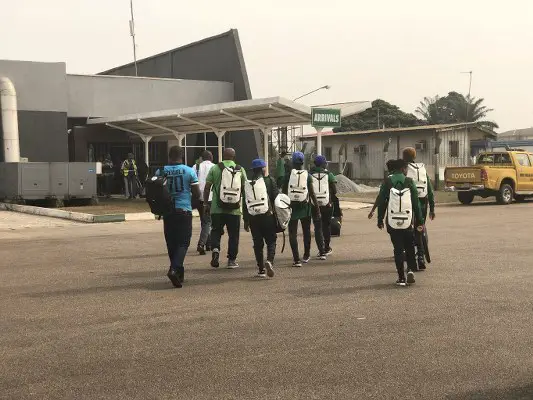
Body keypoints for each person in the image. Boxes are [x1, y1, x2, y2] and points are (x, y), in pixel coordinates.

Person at [155, 146, 201, 288]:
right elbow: (197, 193)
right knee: (183, 243)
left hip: (168, 212)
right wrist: (191, 204)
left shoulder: (160, 171)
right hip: (184, 210)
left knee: (171, 243)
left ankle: (179, 274)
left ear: (169, 156)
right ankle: (174, 269)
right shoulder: (189, 171)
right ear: (182, 156)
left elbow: (156, 192)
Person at [376, 159, 424, 286]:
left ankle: (401, 278)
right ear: (403, 169)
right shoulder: (409, 181)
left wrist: (380, 219)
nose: (407, 171)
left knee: (398, 249)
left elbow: (382, 202)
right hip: (407, 221)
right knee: (409, 246)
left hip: (392, 221)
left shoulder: (387, 181)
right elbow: (416, 204)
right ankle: (410, 270)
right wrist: (420, 221)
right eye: (406, 169)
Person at [203, 148, 246, 269]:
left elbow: (207, 188)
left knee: (216, 231)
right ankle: (231, 260)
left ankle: (215, 250)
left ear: (223, 156)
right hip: (234, 209)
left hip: (217, 208)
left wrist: (206, 204)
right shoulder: (240, 169)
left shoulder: (215, 168)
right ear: (234, 157)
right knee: (233, 235)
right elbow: (244, 189)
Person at [283, 151, 323, 267]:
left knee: (292, 234)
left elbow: (284, 192)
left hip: (292, 208)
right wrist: (317, 209)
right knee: (306, 232)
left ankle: (296, 260)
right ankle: (306, 255)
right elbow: (312, 193)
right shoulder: (307, 176)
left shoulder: (288, 176)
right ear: (302, 162)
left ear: (292, 162)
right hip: (305, 208)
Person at [243, 158, 278, 278]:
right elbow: (276, 198)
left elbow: (245, 203)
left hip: (253, 218)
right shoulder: (269, 181)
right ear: (263, 169)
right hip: (268, 216)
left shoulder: (247, 184)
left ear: (253, 170)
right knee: (271, 240)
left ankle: (261, 269)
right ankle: (269, 260)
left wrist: (246, 221)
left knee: (257, 243)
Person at [403, 147, 436, 270]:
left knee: (407, 230)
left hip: (408, 203)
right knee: (419, 229)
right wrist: (432, 208)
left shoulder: (404, 169)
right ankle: (421, 257)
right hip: (422, 203)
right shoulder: (421, 169)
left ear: (404, 157)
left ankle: (409, 255)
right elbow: (430, 190)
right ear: (415, 156)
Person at [309, 155, 337, 255]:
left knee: (317, 227)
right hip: (327, 205)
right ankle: (327, 248)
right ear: (323, 164)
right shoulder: (329, 174)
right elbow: (335, 191)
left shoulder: (310, 175)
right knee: (326, 226)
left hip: (314, 205)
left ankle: (321, 251)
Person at [195, 150, 215, 254]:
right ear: (211, 158)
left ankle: (209, 244)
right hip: (210, 198)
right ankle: (201, 244)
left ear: (202, 158)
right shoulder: (215, 167)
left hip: (199, 198)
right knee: (208, 222)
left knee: (204, 221)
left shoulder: (196, 167)